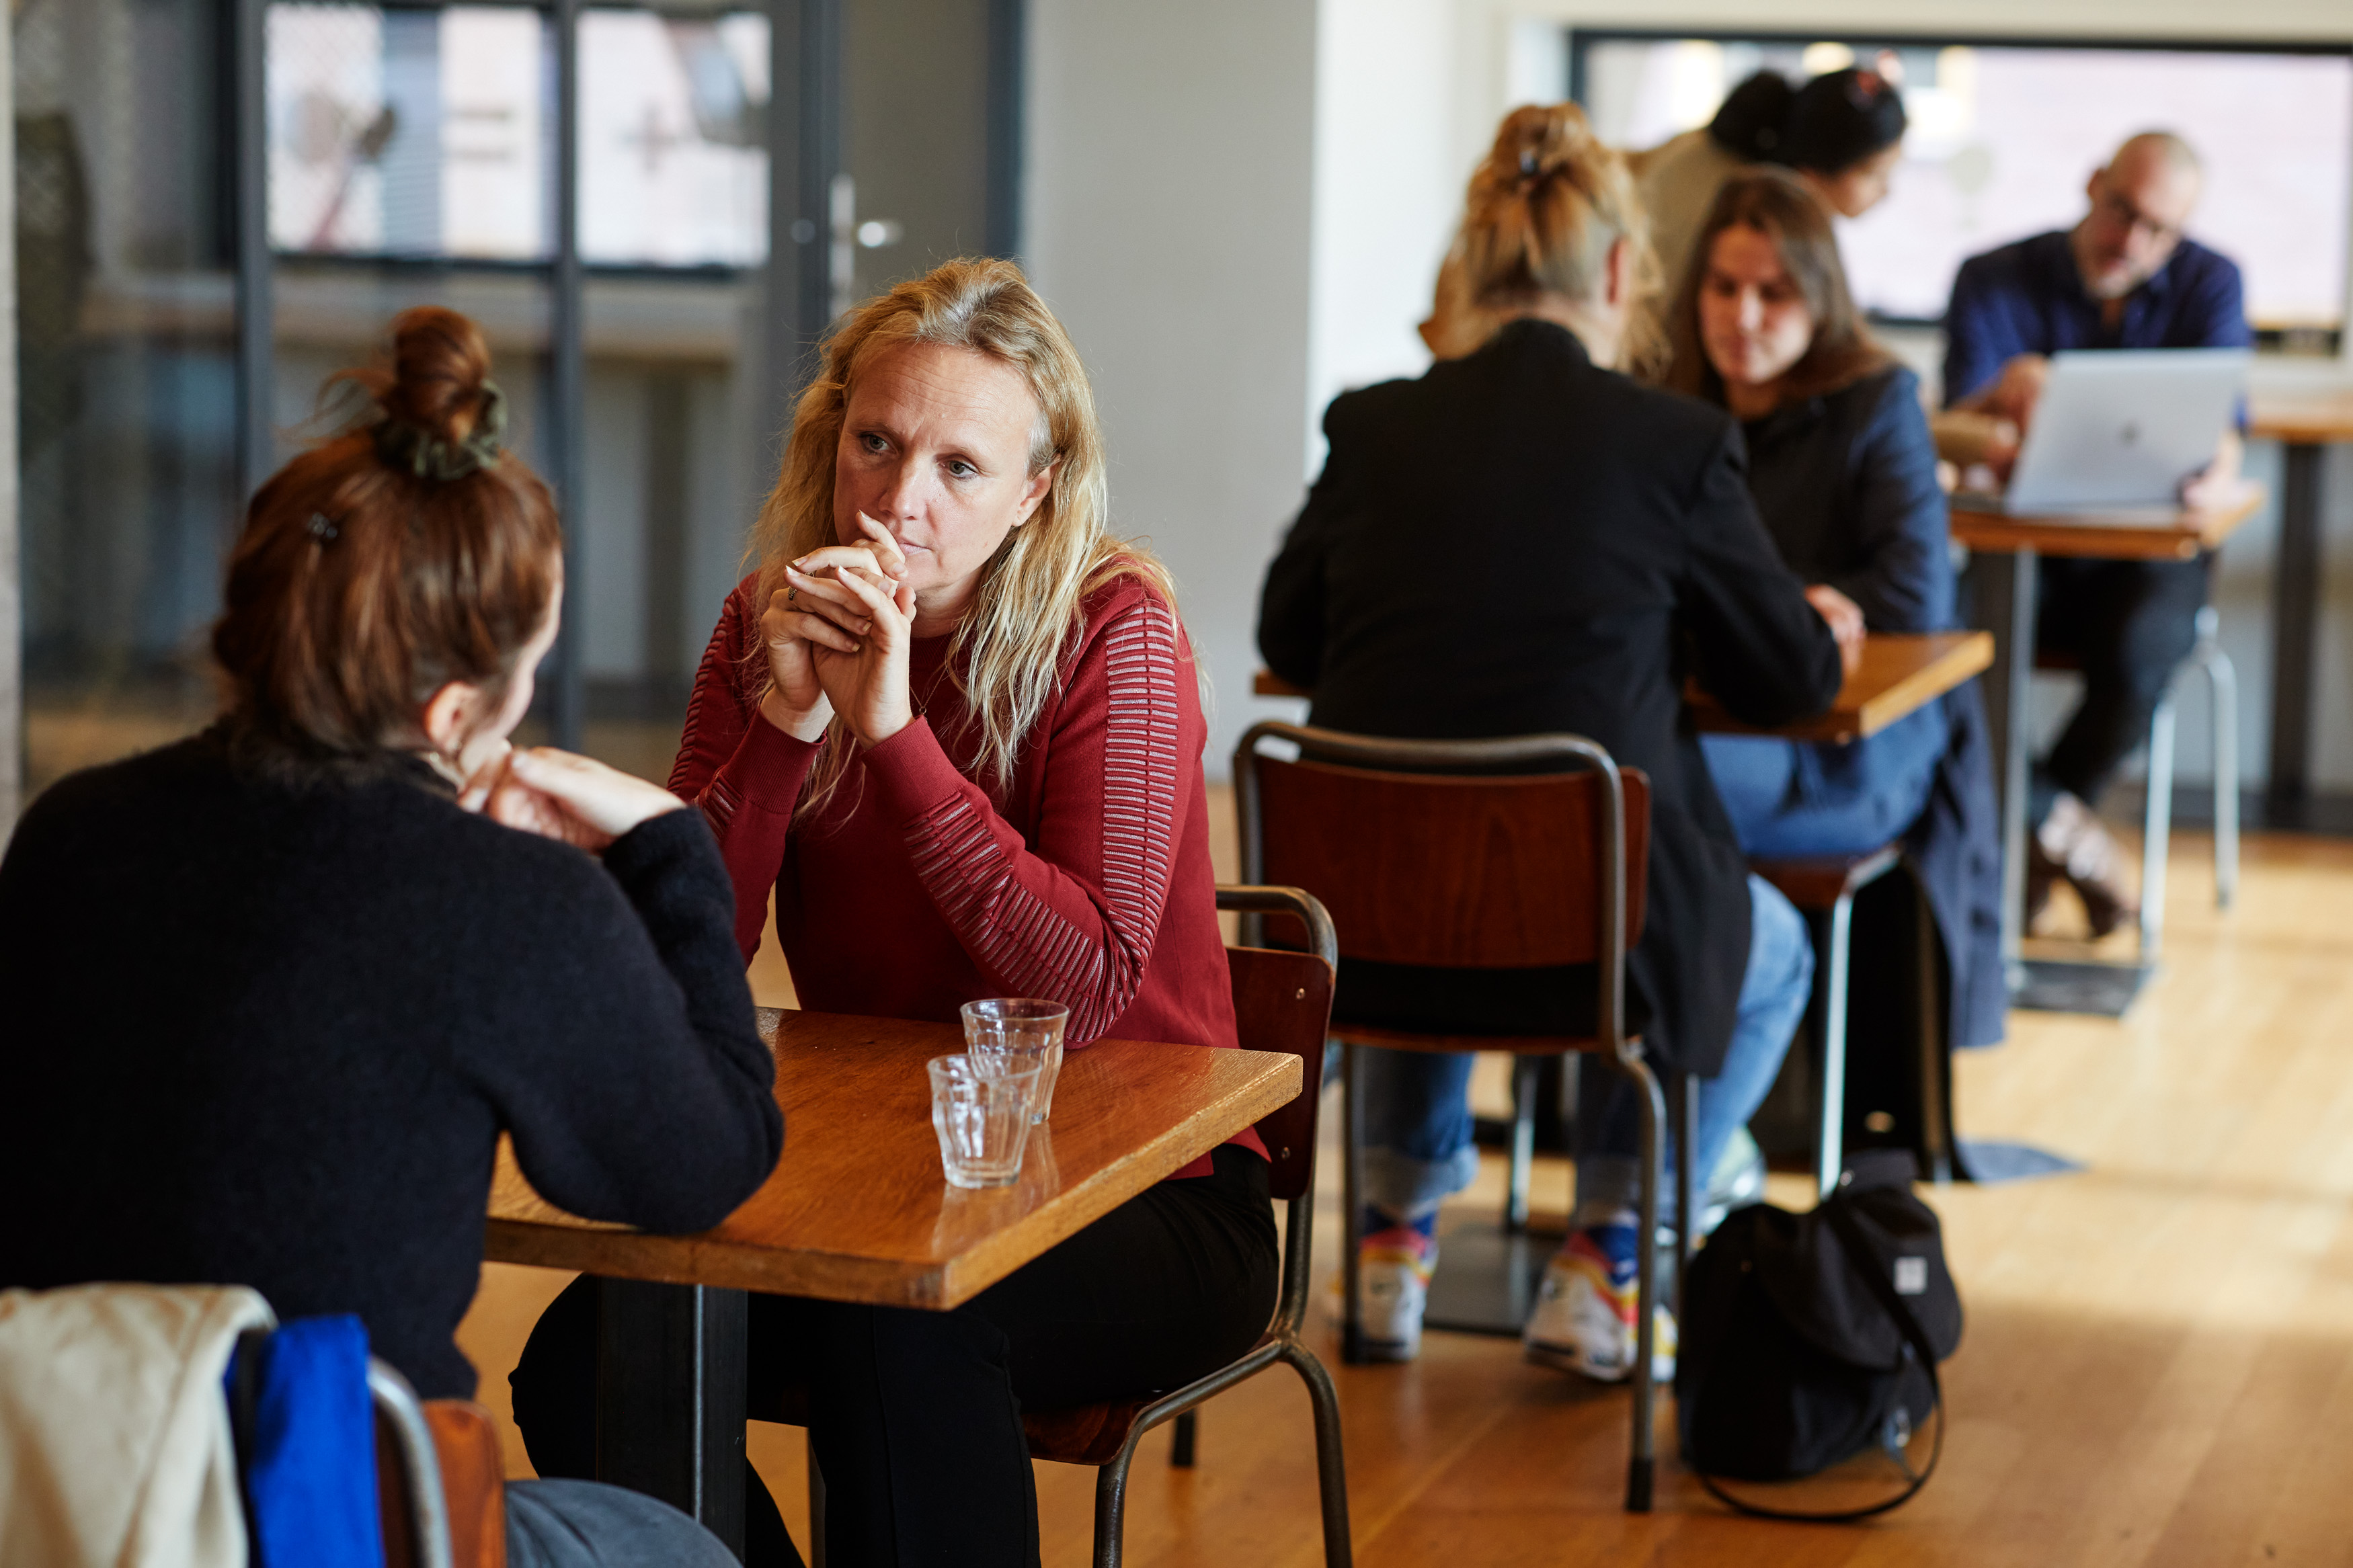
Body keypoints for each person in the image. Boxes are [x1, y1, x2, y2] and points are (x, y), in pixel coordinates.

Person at [510, 257, 1276, 1568]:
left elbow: (1084, 981)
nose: (899, 500)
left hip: (1150, 1194)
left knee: (906, 1320)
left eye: (958, 468)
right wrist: (788, 718)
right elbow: (691, 942)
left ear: (1035, 488)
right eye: (874, 442)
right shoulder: (766, 624)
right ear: (831, 438)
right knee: (593, 1347)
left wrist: (895, 733)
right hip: (882, 1179)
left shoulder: (1113, 635)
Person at [0, 307, 780, 1568]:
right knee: (670, 1541)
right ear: (454, 705)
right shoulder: (510, 903)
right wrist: (669, 848)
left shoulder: (69, 832)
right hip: (333, 1519)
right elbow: (701, 1166)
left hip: (58, 1499)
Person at [1257, 104, 1843, 1380]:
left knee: (1440, 829)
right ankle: (1610, 1253)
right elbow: (1792, 676)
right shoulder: (1677, 443)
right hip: (1598, 945)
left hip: (1370, 945)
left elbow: (1286, 638)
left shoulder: (1372, 425)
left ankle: (1391, 1233)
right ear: (1625, 274)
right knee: (1780, 945)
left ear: (1472, 274)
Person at [1662, 167, 2006, 1053]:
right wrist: (1778, 602)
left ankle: (1659, 1126)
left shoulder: (1875, 400)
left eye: (1772, 294)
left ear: (1819, 295)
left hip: (1845, 748)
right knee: (1607, 802)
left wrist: (1762, 600)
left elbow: (1913, 593)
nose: (1742, 315)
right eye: (1724, 286)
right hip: (1710, 717)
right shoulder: (1666, 404)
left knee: (1637, 815)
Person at [1942, 130, 2249, 935]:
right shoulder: (1992, 277)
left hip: (2143, 561)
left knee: (2145, 649)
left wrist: (2215, 470)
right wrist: (1995, 399)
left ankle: (2040, 830)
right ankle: (2066, 839)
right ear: (2089, 187)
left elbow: (2225, 427)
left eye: (2157, 229)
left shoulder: (2211, 282)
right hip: (2022, 553)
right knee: (1951, 663)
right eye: (2120, 211)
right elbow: (1948, 436)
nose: (2130, 241)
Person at [1634, 66, 1909, 310]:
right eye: (1874, 174)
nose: (1886, 192)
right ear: (1811, 173)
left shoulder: (1718, 160)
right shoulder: (1745, 217)